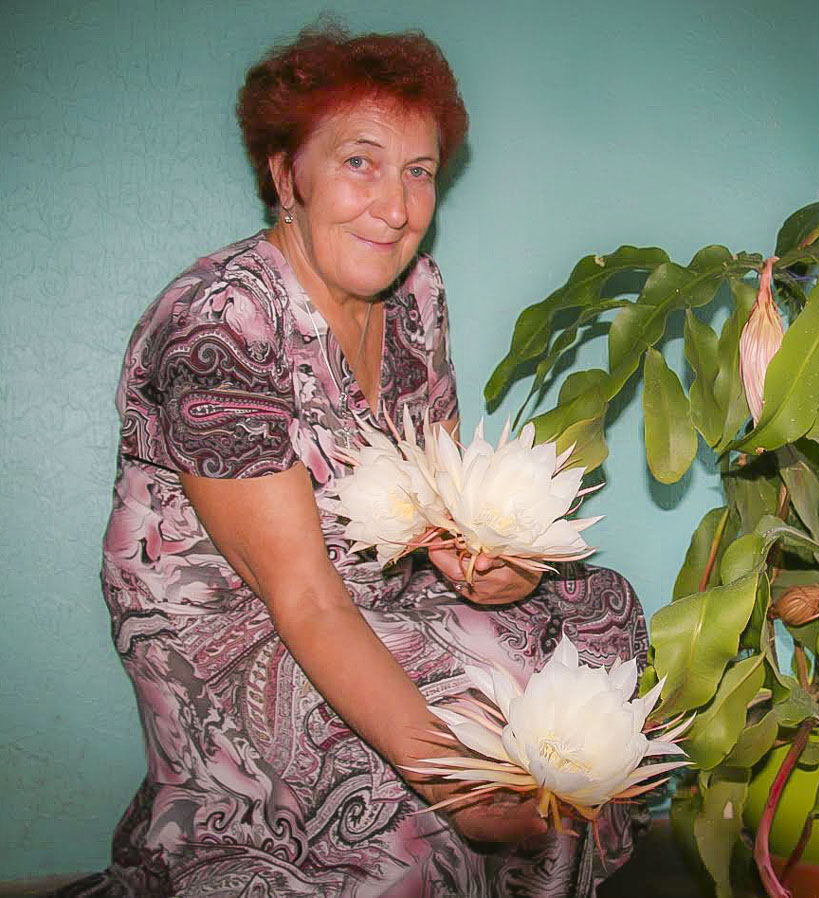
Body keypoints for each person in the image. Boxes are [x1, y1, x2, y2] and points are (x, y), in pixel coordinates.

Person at [62, 24, 647, 898]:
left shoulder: (417, 293)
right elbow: (302, 596)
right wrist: (457, 782)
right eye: (360, 162)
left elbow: (439, 498)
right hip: (242, 628)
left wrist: (483, 563)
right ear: (284, 172)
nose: (397, 206)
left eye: (419, 170)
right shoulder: (222, 325)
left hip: (375, 593)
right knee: (441, 792)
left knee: (593, 607)